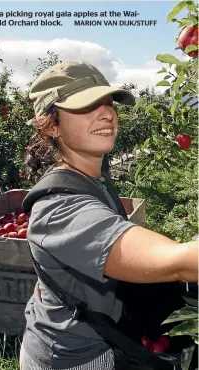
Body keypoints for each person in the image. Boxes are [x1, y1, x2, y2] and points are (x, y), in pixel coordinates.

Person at [19, 60, 198, 370]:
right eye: (86, 106)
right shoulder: (60, 210)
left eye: (108, 103)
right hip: (75, 358)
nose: (108, 114)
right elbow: (180, 262)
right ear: (50, 126)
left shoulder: (93, 173)